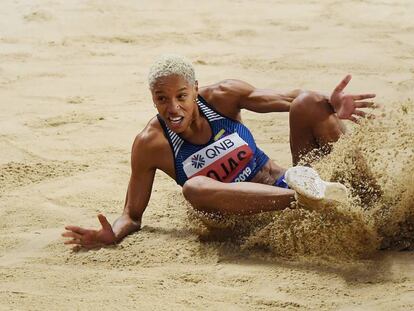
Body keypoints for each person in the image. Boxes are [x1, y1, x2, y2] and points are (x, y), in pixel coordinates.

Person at [62, 54, 376, 249]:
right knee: (193, 187)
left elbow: (291, 98)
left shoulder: (223, 97)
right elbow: (131, 215)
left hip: (296, 180)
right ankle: (305, 201)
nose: (173, 108)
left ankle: (372, 200)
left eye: (181, 96)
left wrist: (330, 105)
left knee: (309, 102)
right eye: (161, 99)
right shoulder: (150, 143)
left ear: (195, 89)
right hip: (260, 217)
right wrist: (112, 235)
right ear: (152, 98)